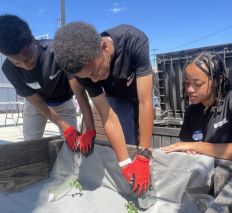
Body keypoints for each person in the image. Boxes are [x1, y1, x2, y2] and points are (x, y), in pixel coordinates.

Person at [53, 22, 154, 195]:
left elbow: (145, 102)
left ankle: (145, 167)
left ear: (104, 47)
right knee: (127, 142)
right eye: (88, 77)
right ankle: (132, 183)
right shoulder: (84, 73)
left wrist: (144, 156)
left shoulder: (134, 40)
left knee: (142, 141)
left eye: (96, 71)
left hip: (138, 90)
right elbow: (107, 115)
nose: (94, 80)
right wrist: (124, 162)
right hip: (116, 96)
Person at [0, 14, 96, 156]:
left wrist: (89, 129)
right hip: (37, 104)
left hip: (64, 100)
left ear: (33, 41)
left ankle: (70, 174)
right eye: (17, 63)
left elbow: (79, 93)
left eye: (28, 58)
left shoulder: (57, 52)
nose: (25, 66)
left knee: (73, 142)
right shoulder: (8, 69)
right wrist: (64, 127)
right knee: (29, 143)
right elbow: (36, 101)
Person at [161, 51, 232, 160]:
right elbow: (186, 144)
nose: (189, 89)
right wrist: (187, 149)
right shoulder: (191, 111)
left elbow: (191, 145)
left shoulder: (229, 101)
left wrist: (196, 146)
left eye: (197, 84)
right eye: (186, 83)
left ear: (218, 80)